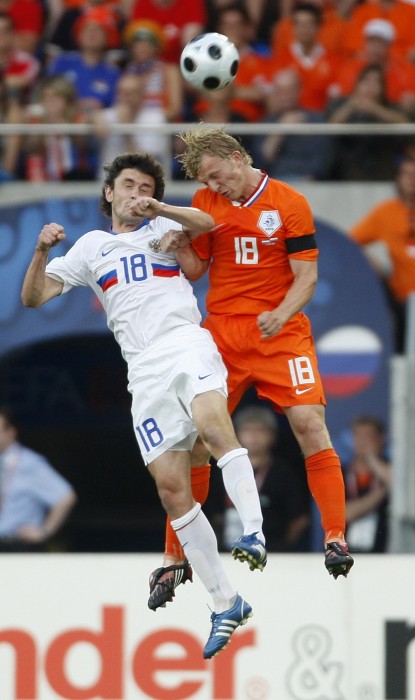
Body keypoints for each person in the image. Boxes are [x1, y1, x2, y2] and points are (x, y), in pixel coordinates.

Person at [21, 151, 263, 660]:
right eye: (129, 186)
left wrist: (162, 210)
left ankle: (253, 532)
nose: (137, 194)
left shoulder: (164, 228)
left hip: (184, 342)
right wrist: (41, 250)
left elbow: (206, 222)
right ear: (109, 193)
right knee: (172, 488)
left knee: (214, 429)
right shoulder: (92, 247)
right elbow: (34, 297)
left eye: (146, 188)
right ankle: (226, 601)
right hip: (143, 369)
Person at [155, 125, 354, 603]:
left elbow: (306, 277)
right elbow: (198, 270)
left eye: (217, 175)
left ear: (236, 156)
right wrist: (180, 245)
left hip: (279, 332)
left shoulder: (288, 202)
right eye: (207, 180)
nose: (215, 185)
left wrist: (281, 313)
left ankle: (335, 536)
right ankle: (175, 556)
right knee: (197, 442)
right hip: (223, 334)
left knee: (310, 425)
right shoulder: (205, 202)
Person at [349, 157, 415, 352]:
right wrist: (370, 262)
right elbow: (351, 242)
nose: (411, 179)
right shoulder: (386, 212)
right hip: (402, 295)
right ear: (398, 179)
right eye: (405, 174)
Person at [214, 405, 311, 553]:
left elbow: (300, 517)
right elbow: (212, 512)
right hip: (224, 551)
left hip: (273, 552)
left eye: (260, 430)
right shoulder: (223, 468)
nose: (253, 436)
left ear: (272, 436)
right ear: (236, 434)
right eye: (247, 430)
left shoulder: (283, 472)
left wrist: (282, 547)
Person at [0, 406, 77, 551]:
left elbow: (66, 496)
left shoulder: (28, 463)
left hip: (15, 546)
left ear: (11, 432)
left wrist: (45, 531)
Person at [326, 63, 409, 181]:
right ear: (357, 84)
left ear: (383, 87)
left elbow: (404, 122)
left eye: (376, 82)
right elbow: (331, 125)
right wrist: (352, 105)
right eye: (366, 81)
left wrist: (374, 108)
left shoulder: (390, 107)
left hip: (383, 168)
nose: (371, 86)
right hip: (347, 170)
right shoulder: (340, 104)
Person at [252, 67, 335, 182]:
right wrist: (280, 129)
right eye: (280, 90)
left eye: (290, 90)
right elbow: (262, 161)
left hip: (311, 183)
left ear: (299, 91)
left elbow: (324, 160)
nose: (285, 95)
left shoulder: (316, 120)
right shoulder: (266, 123)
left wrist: (311, 180)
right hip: (276, 183)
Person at [344, 414, 391, 553]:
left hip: (385, 554)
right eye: (358, 436)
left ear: (381, 439)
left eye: (368, 436)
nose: (363, 441)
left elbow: (398, 486)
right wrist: (382, 492)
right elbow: (345, 514)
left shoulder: (390, 469)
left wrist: (372, 459)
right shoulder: (341, 472)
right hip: (345, 554)